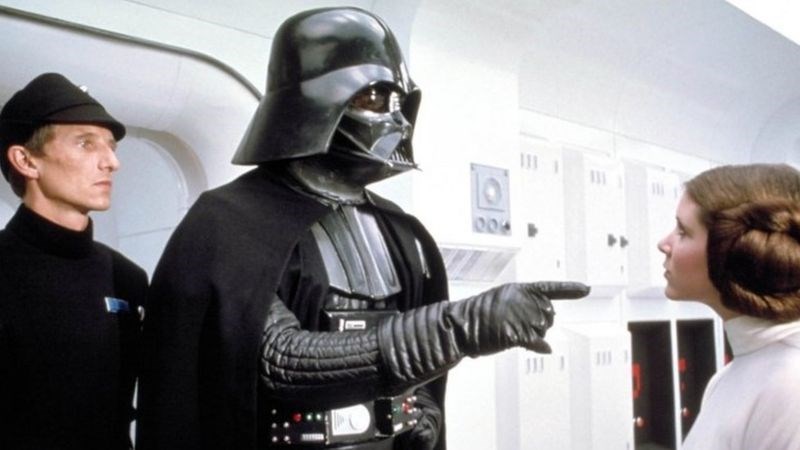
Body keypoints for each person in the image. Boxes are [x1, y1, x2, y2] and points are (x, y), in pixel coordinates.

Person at [136, 7, 588, 450]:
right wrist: (460, 328)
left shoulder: (399, 230)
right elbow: (278, 360)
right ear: (313, 103)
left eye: (399, 103)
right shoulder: (229, 221)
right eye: (374, 99)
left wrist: (421, 410)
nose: (397, 120)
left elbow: (416, 369)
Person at [0, 73, 148, 450]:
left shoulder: (128, 278)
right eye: (86, 143)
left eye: (111, 147)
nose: (111, 162)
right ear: (26, 160)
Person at [657, 163, 800, 450]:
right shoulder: (726, 378)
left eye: (683, 231)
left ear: (735, 251)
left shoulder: (790, 386)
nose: (664, 243)